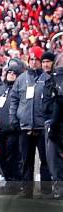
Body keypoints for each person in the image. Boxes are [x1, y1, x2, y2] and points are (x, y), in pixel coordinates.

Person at [9, 49, 52, 198]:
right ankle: (27, 191)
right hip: (25, 126)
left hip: (42, 127)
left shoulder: (47, 78)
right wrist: (14, 118)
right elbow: (14, 99)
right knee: (26, 160)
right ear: (28, 61)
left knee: (45, 161)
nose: (34, 62)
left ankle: (47, 190)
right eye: (31, 59)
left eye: (37, 59)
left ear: (41, 61)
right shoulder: (21, 79)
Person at [0, 59, 23, 193]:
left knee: (13, 157)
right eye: (9, 72)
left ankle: (14, 183)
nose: (11, 74)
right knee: (2, 156)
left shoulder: (21, 89)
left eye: (14, 73)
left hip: (14, 130)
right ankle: (8, 180)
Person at [43, 65, 63, 199]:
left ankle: (59, 190)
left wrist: (53, 126)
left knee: (54, 159)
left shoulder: (56, 79)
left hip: (55, 123)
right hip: (54, 122)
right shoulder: (51, 80)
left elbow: (58, 103)